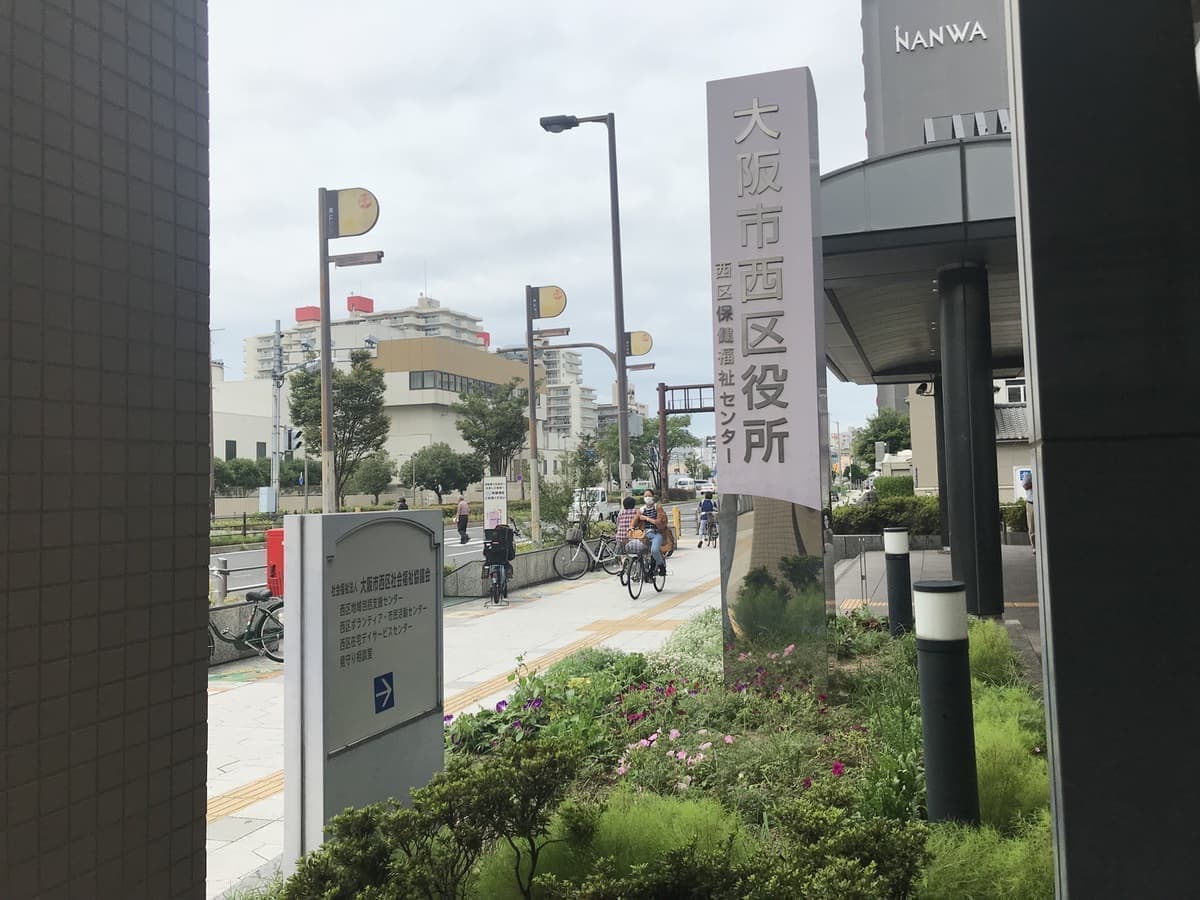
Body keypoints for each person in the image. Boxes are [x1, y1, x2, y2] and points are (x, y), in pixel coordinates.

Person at [632, 489, 668, 575]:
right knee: (637, 548)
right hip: (644, 534)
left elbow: (659, 522)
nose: (647, 498)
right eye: (645, 496)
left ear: (653, 497)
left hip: (656, 533)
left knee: (654, 550)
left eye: (649, 496)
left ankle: (661, 566)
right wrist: (631, 527)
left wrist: (646, 518)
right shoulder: (642, 509)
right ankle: (645, 570)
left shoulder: (657, 508)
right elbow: (635, 519)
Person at [1022, 471, 1035, 553]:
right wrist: (1036, 480)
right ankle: (1034, 547)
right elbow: (1025, 486)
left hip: (1042, 503)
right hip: (1031, 503)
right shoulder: (1028, 476)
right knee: (1032, 526)